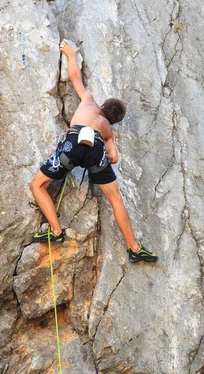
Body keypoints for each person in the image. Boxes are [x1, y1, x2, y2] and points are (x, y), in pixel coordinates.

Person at [30, 39, 158, 263]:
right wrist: (108, 140)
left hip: (74, 143)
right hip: (96, 150)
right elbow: (114, 157)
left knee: (37, 185)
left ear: (101, 106)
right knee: (116, 199)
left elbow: (75, 78)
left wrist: (71, 55)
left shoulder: (89, 102)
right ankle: (134, 248)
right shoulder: (108, 130)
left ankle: (56, 232)